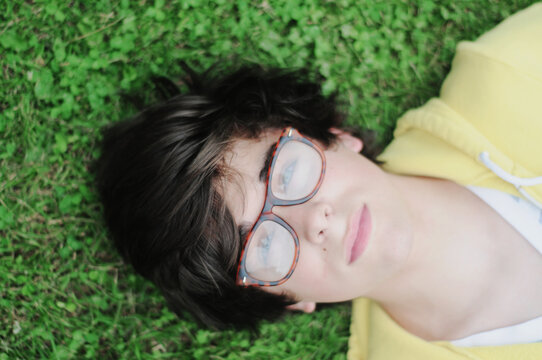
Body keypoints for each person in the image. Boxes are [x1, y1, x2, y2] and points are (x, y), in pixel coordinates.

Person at [95, 4, 542, 359]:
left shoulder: (513, 76)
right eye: (264, 247)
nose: (315, 221)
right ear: (290, 301)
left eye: (286, 171)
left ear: (337, 137)